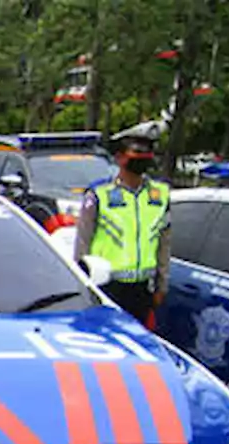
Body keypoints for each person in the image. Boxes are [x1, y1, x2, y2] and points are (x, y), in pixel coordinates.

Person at [73, 122, 170, 325]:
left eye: (148, 151)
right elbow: (82, 243)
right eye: (137, 151)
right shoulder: (99, 194)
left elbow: (164, 243)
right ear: (119, 157)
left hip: (143, 291)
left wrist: (162, 285)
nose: (144, 156)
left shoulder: (159, 194)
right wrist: (82, 286)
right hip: (106, 287)